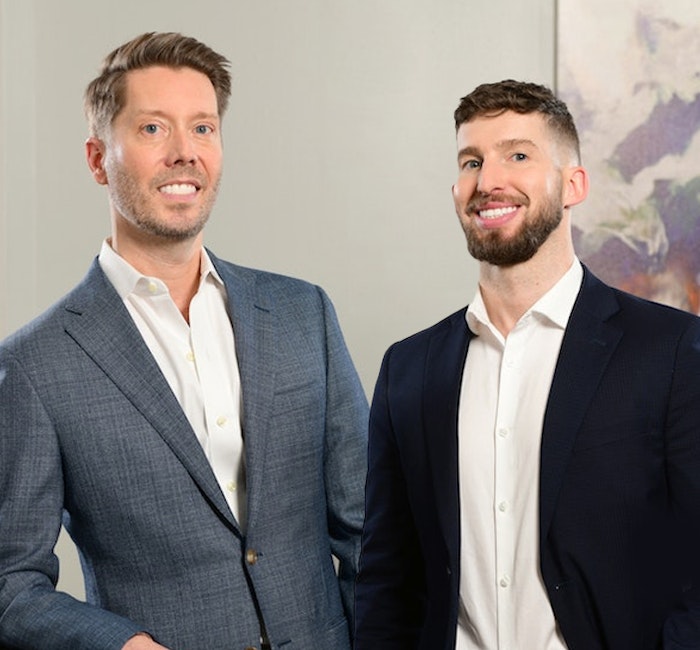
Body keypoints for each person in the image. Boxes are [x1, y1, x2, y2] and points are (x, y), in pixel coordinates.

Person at [0, 32, 368, 650]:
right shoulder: (36, 366)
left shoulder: (302, 314)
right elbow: (11, 585)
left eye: (202, 128)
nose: (184, 153)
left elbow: (369, 533)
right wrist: (123, 646)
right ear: (98, 159)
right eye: (152, 129)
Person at [354, 79, 700, 649]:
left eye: (517, 155)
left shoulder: (671, 352)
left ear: (573, 185)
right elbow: (387, 580)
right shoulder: (409, 370)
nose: (488, 181)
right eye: (472, 161)